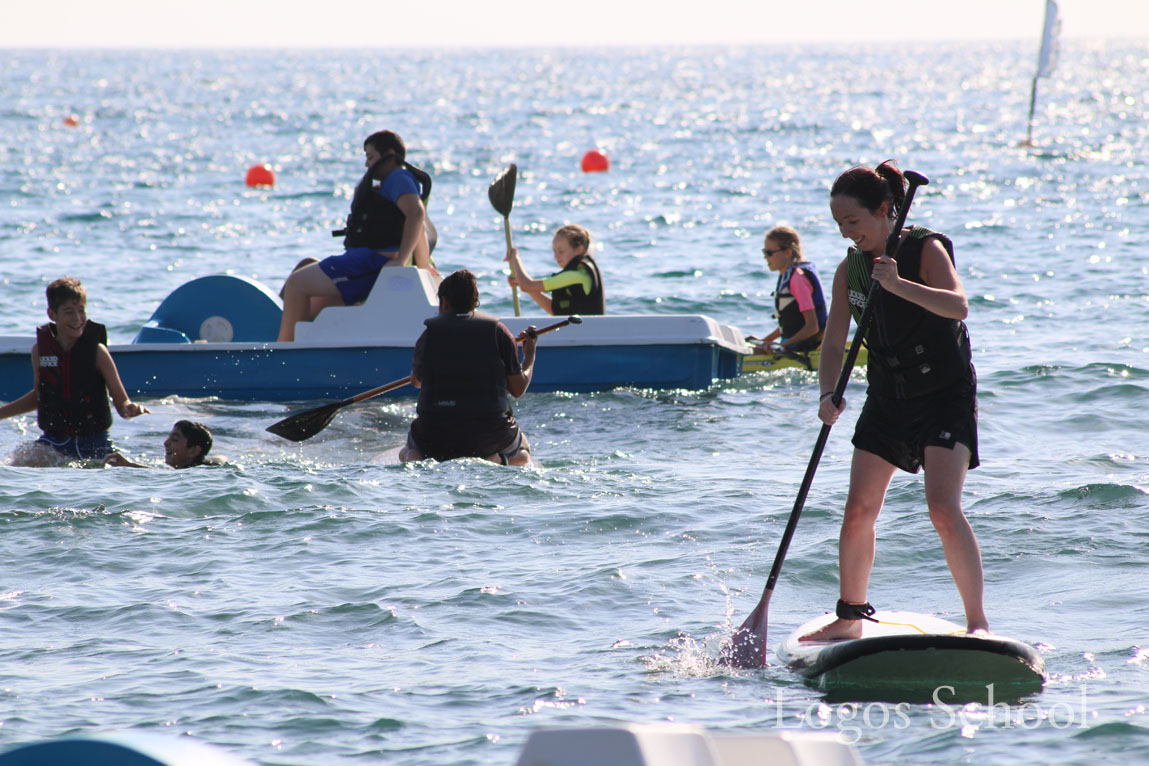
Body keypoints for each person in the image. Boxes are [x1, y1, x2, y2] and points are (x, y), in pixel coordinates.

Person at [802, 160, 987, 641]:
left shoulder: (924, 248)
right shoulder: (852, 269)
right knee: (858, 509)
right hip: (888, 396)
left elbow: (958, 306)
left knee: (942, 509)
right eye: (840, 225)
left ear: (886, 210)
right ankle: (850, 617)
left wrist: (900, 283)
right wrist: (827, 393)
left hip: (944, 393)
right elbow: (833, 342)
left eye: (854, 222)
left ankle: (978, 624)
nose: (847, 233)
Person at [277, 130, 438, 341]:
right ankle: (291, 334)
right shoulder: (396, 182)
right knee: (306, 268)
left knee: (297, 283)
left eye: (370, 157)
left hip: (370, 263)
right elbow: (415, 224)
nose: (367, 165)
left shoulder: (397, 177)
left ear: (389, 154)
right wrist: (423, 264)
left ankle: (282, 350)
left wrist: (401, 260)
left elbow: (416, 214)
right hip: (369, 261)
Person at [0, 277, 150, 467]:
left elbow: (122, 404)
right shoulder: (40, 351)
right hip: (54, 443)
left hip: (95, 445)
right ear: (52, 314)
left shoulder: (97, 352)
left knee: (131, 468)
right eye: (69, 312)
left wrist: (131, 409)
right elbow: (40, 396)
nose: (77, 319)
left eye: (81, 311)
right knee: (17, 464)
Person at [399, 269, 538, 466]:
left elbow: (416, 382)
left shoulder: (429, 334)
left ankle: (415, 460)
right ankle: (496, 458)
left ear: (444, 302)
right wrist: (530, 354)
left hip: (434, 434)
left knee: (408, 450)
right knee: (523, 450)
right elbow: (518, 389)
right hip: (489, 435)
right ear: (475, 302)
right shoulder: (499, 332)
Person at [752, 225, 827, 355]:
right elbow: (790, 324)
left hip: (805, 348)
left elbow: (812, 327)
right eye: (764, 252)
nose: (766, 257)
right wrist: (765, 341)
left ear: (787, 252)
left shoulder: (798, 279)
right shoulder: (786, 276)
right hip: (791, 344)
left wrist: (781, 346)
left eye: (769, 253)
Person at [504, 224, 604, 315]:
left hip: (588, 333)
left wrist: (515, 259)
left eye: (561, 251)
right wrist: (523, 283)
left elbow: (526, 285)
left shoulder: (577, 276)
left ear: (579, 250)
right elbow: (554, 310)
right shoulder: (582, 271)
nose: (556, 256)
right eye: (554, 251)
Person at [104, 420, 224, 468]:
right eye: (169, 437)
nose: (166, 443)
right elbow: (221, 458)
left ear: (193, 451)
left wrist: (129, 465)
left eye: (175, 439)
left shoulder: (196, 476)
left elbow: (162, 475)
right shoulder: (210, 467)